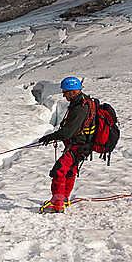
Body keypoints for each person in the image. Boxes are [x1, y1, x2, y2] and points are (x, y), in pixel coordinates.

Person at [37, 76, 97, 213]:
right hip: (81, 146)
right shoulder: (82, 102)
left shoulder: (80, 108)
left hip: (77, 145)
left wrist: (51, 137)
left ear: (73, 91)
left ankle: (57, 204)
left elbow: (67, 132)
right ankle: (63, 199)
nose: (64, 95)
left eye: (65, 92)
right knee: (69, 171)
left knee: (59, 170)